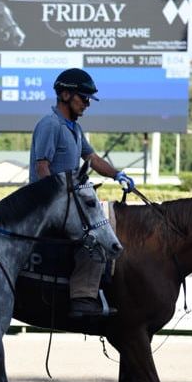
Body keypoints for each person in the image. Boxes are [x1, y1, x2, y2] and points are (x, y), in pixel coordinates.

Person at [28, 68, 135, 318]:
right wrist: (62, 197)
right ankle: (82, 297)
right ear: (65, 95)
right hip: (47, 203)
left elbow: (93, 159)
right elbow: (42, 168)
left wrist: (117, 174)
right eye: (83, 98)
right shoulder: (50, 125)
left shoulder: (74, 128)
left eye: (88, 99)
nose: (87, 104)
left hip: (67, 200)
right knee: (96, 230)